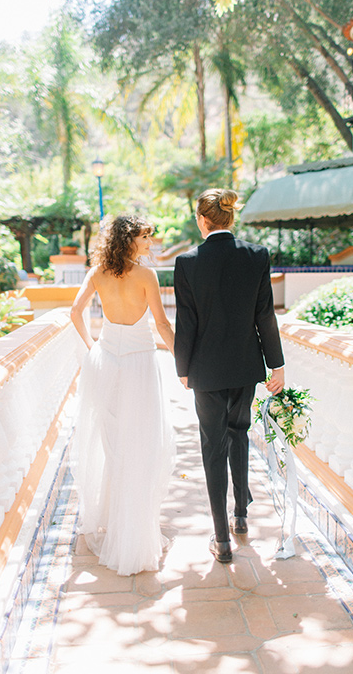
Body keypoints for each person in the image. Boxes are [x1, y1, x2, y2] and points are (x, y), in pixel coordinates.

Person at [174, 189, 284, 564]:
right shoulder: (256, 255)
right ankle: (241, 515)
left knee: (212, 446)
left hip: (205, 370)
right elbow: (264, 314)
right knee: (240, 433)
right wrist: (277, 365)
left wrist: (183, 368)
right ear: (229, 218)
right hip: (245, 366)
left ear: (203, 220)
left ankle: (221, 539)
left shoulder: (187, 262)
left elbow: (186, 321)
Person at [70, 215, 175, 576]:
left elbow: (75, 312)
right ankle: (133, 530)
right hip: (140, 364)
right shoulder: (146, 275)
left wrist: (90, 348)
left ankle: (116, 523)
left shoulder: (98, 271)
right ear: (130, 240)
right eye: (146, 237)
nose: (150, 243)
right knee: (142, 445)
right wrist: (183, 361)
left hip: (106, 361)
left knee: (113, 444)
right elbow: (161, 324)